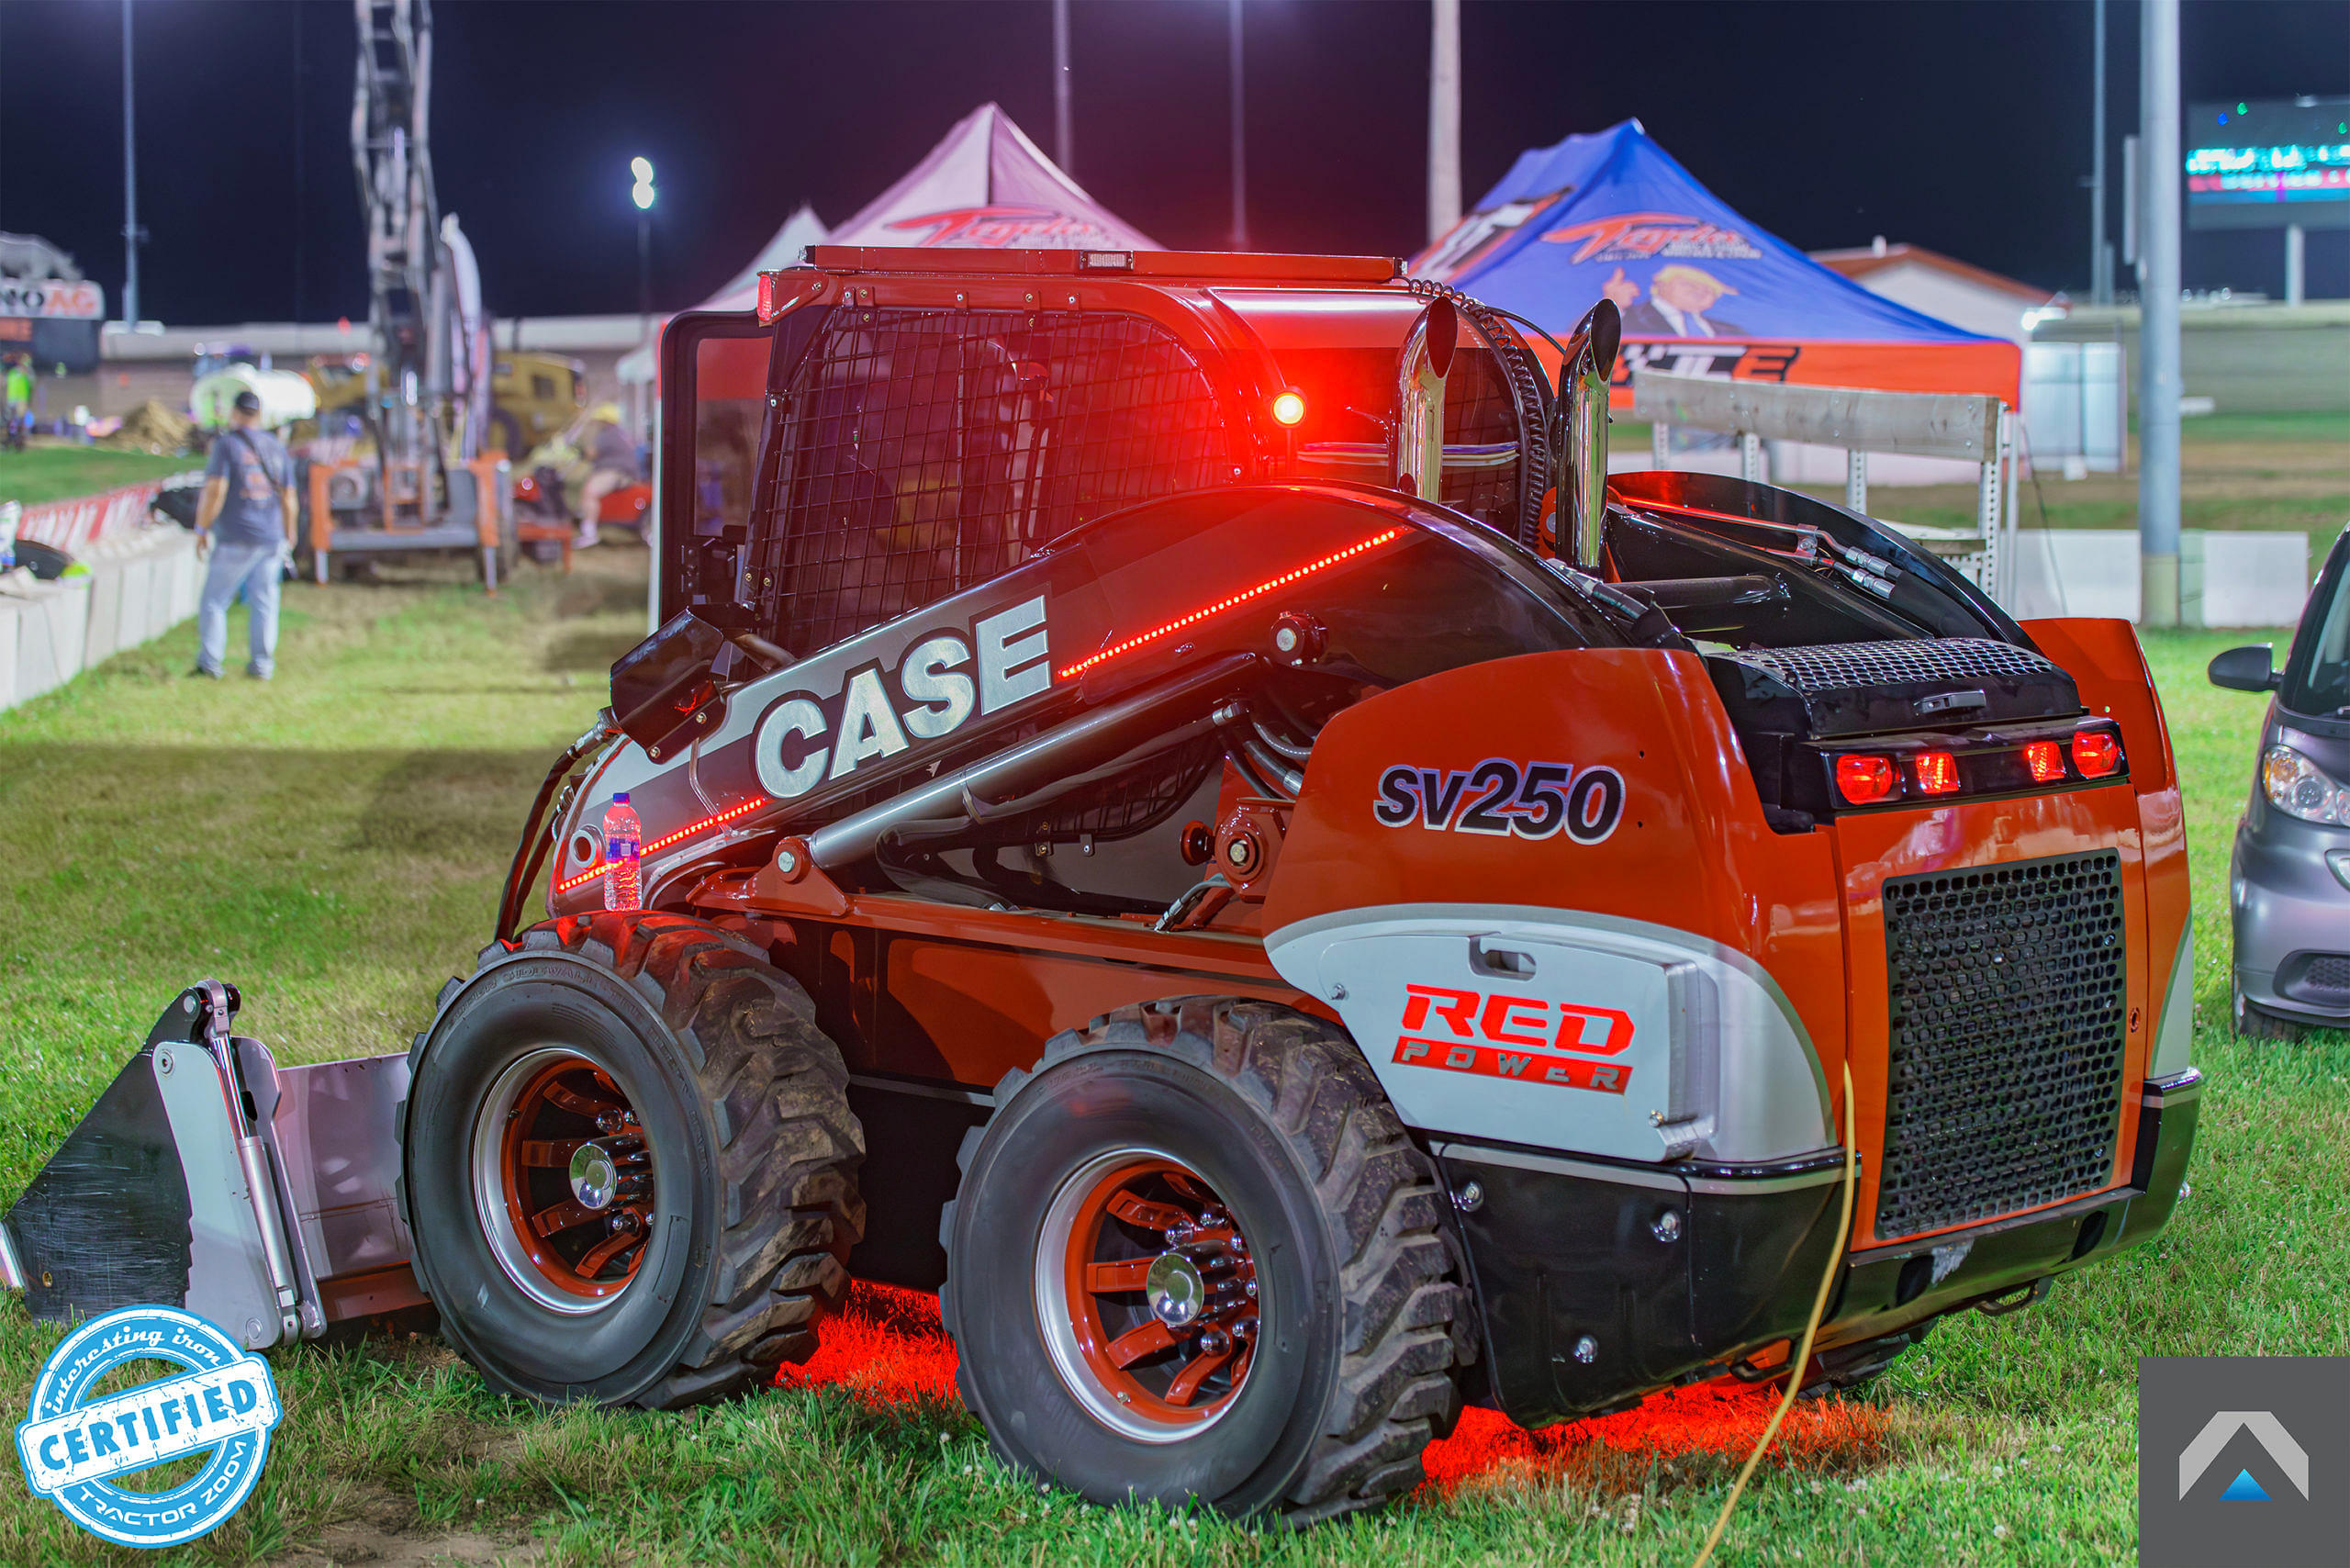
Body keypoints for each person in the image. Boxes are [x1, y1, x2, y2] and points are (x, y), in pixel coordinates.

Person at [191, 388, 297, 680]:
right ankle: (262, 665)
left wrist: (202, 527)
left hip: (236, 535)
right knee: (265, 601)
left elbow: (216, 490)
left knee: (214, 601)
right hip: (271, 536)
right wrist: (290, 532)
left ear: (235, 413)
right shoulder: (276, 446)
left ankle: (210, 662)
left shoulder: (226, 445)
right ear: (260, 414)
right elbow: (289, 496)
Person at [575, 402, 639, 547]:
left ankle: (589, 533)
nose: (596, 422)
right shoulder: (619, 433)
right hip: (624, 472)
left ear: (605, 421)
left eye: (599, 420)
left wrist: (579, 448)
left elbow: (591, 453)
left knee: (589, 492)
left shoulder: (607, 435)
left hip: (617, 472)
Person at [1620, 265, 1745, 339]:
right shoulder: (1630, 317)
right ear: (1662, 285)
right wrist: (1615, 308)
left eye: (1708, 288)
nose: (1699, 290)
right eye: (1688, 284)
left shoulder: (1732, 331)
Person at [2, 356, 31, 451]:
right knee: (10, 421)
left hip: (21, 399)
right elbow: (4, 383)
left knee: (19, 421)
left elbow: (30, 380)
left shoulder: (25, 372)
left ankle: (18, 442)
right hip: (12, 400)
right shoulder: (11, 373)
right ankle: (12, 439)